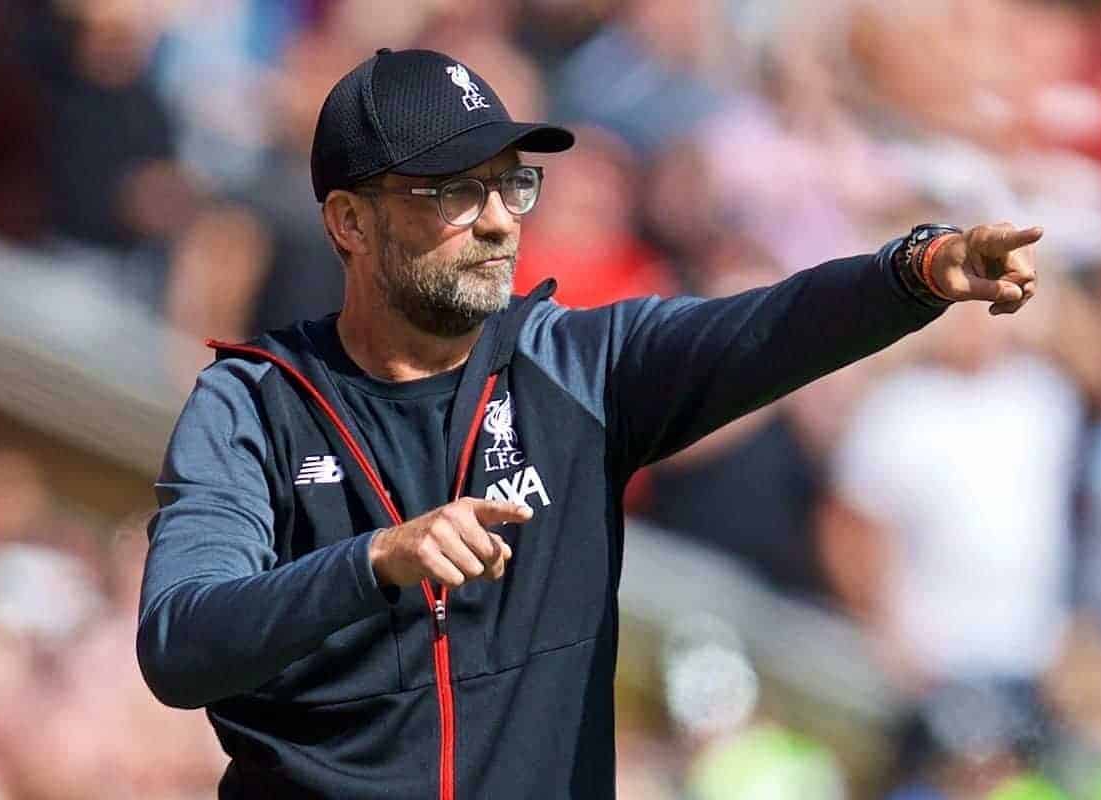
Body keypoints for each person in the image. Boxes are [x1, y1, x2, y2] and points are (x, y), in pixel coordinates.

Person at [137, 48, 1041, 799]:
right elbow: (181, 642)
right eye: (455, 192)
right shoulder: (253, 402)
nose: (498, 222)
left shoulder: (574, 367)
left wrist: (916, 271)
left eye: (511, 185)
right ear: (349, 221)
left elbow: (768, 325)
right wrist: (375, 561)